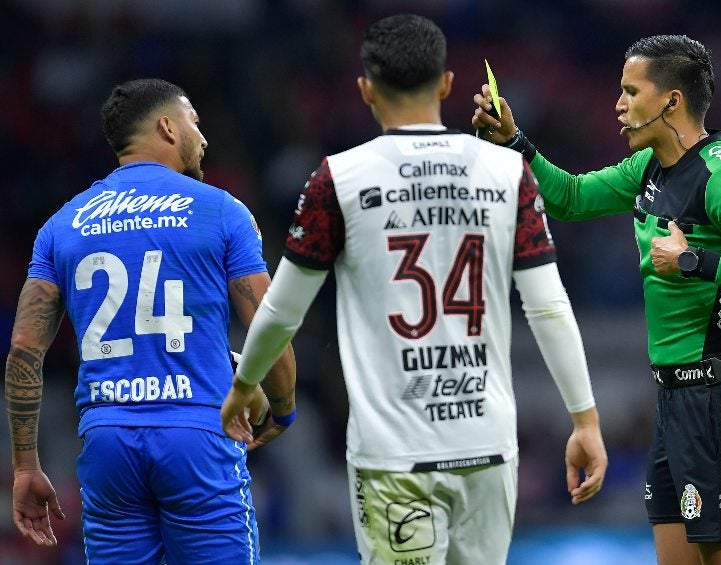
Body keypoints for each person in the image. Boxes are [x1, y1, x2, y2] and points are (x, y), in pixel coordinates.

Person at [219, 14, 607, 565]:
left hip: (393, 456)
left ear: (366, 89)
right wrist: (584, 419)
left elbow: (282, 310)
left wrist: (245, 382)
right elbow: (547, 305)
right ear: (447, 83)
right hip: (486, 448)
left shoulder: (338, 178)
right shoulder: (508, 172)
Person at [473, 34, 721, 565]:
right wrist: (516, 143)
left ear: (671, 101)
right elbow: (570, 197)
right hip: (676, 400)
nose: (619, 103)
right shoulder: (649, 169)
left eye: (631, 91)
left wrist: (694, 261)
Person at [5, 78, 296, 564]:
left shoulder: (62, 225)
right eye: (194, 123)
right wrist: (283, 409)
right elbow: (270, 329)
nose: (202, 138)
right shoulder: (222, 211)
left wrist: (24, 466)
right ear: (167, 126)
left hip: (108, 443)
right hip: (197, 437)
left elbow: (23, 352)